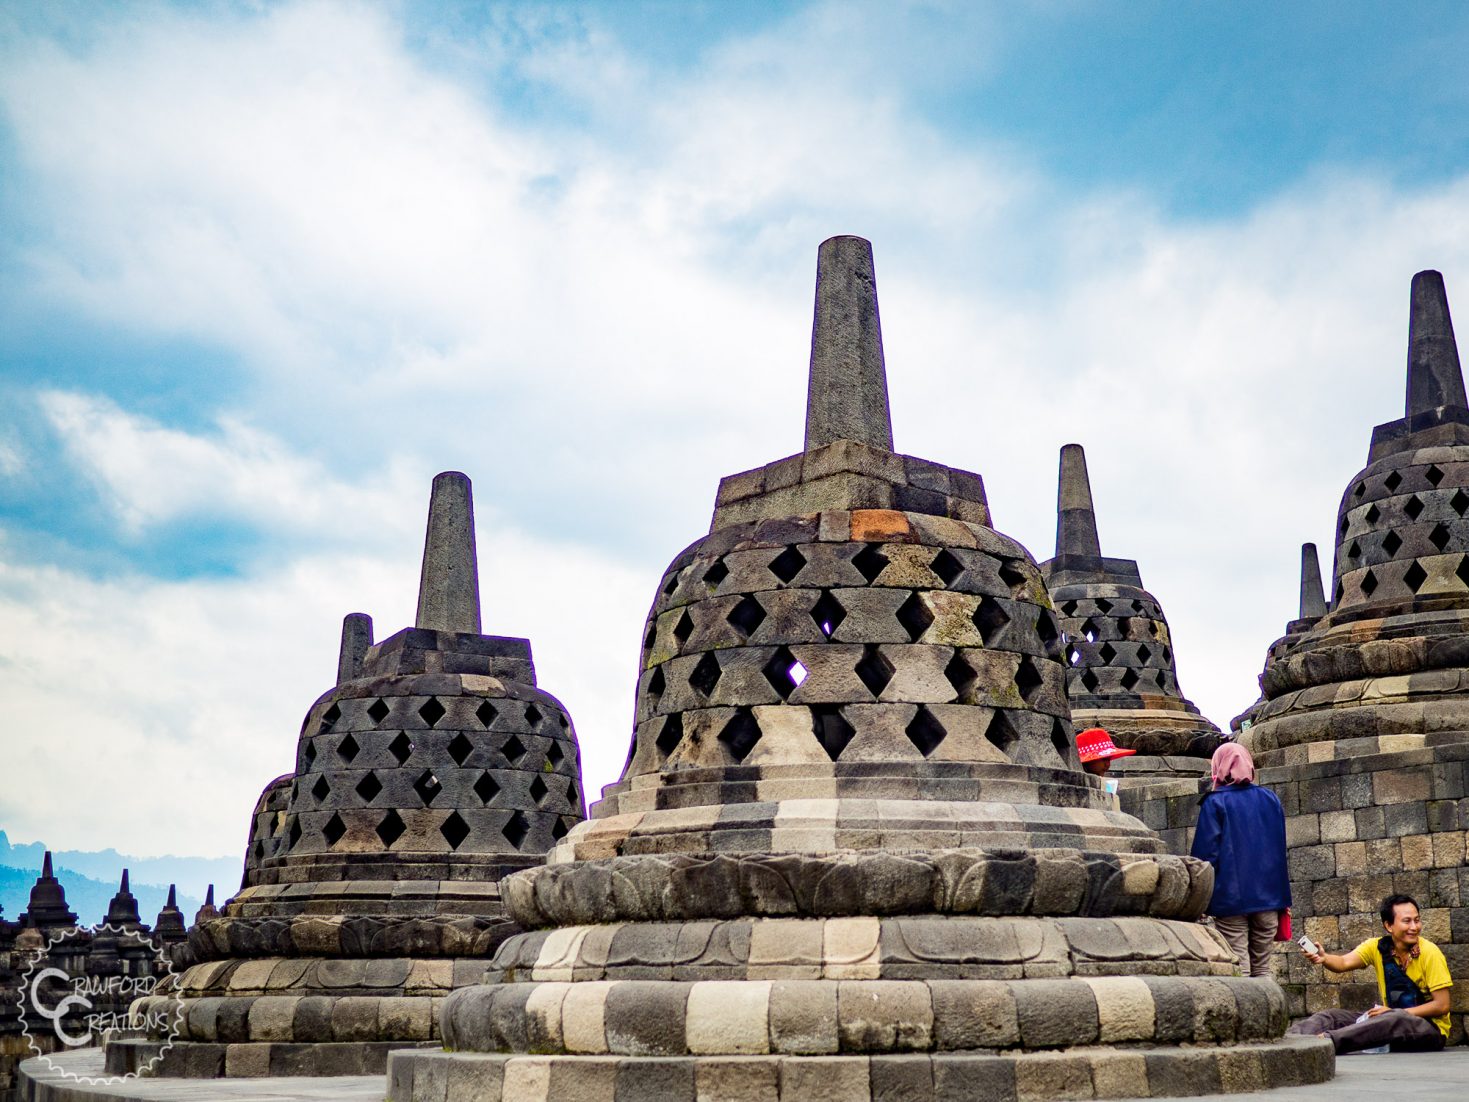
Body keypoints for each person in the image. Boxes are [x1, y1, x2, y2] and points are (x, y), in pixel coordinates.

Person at [1287, 894, 1451, 1054]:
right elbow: (1343, 963)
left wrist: (1396, 1013)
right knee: (1331, 1016)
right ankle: (1288, 1041)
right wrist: (1324, 958)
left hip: (1430, 1030)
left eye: (1417, 920)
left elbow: (1442, 1005)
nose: (1414, 927)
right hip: (1388, 1020)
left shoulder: (1430, 953)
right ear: (1389, 926)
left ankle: (1326, 1042)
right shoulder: (1376, 947)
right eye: (1407, 921)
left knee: (1393, 1019)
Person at [1188, 742, 1290, 977]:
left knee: (1240, 968)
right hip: (1270, 898)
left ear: (1219, 767)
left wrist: (1199, 897)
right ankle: (1271, 1013)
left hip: (1230, 900)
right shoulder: (1270, 799)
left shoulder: (1214, 802)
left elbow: (1206, 857)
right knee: (1263, 969)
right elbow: (1278, 849)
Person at [1075, 727, 1134, 792]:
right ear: (1087, 761)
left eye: (1109, 759)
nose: (1108, 764)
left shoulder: (1108, 787)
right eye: (1103, 759)